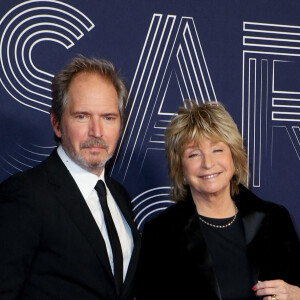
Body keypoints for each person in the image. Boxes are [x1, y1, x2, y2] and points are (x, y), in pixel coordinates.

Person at [0, 55, 141, 300]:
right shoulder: (24, 195)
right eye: (82, 116)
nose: (96, 132)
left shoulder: (120, 196)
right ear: (56, 124)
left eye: (108, 117)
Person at [136, 101, 300, 300]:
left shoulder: (276, 220)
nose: (208, 164)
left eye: (217, 150)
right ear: (181, 169)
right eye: (194, 154)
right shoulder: (161, 233)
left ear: (234, 156)